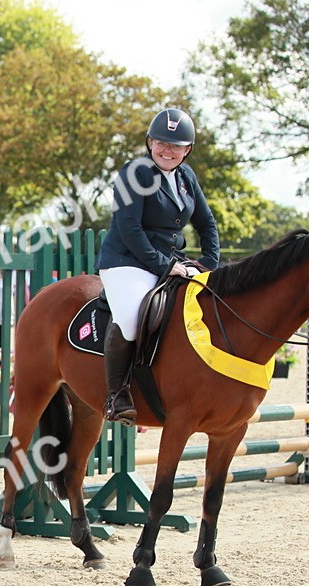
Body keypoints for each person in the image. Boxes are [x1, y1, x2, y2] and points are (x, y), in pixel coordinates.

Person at [95, 108, 219, 424]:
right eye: (161, 143)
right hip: (127, 261)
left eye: (175, 146)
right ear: (150, 142)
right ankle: (116, 395)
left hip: (169, 261)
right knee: (131, 316)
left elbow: (206, 222)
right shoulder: (135, 172)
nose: (167, 150)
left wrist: (209, 262)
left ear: (187, 149)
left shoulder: (186, 177)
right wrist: (163, 265)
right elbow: (129, 227)